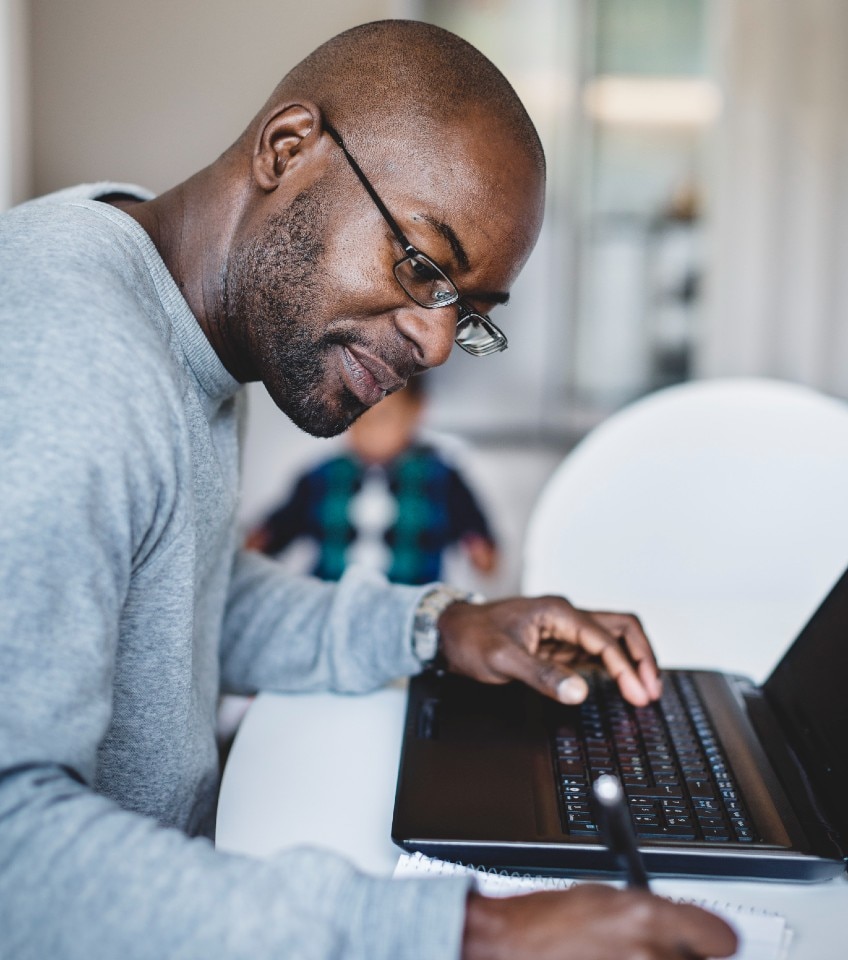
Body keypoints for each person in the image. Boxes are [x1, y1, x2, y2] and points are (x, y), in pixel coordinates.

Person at [0, 19, 736, 960]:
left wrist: (441, 628)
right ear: (288, 148)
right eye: (422, 267)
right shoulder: (68, 358)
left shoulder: (176, 308)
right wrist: (470, 934)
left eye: (468, 314)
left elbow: (180, 597)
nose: (434, 345)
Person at [246, 376, 500, 585]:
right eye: (356, 417)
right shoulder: (321, 476)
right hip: (331, 602)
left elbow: (472, 526)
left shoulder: (442, 478)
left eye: (382, 418)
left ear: (416, 411)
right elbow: (283, 524)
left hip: (409, 604)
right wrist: (259, 543)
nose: (367, 431)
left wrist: (481, 549)